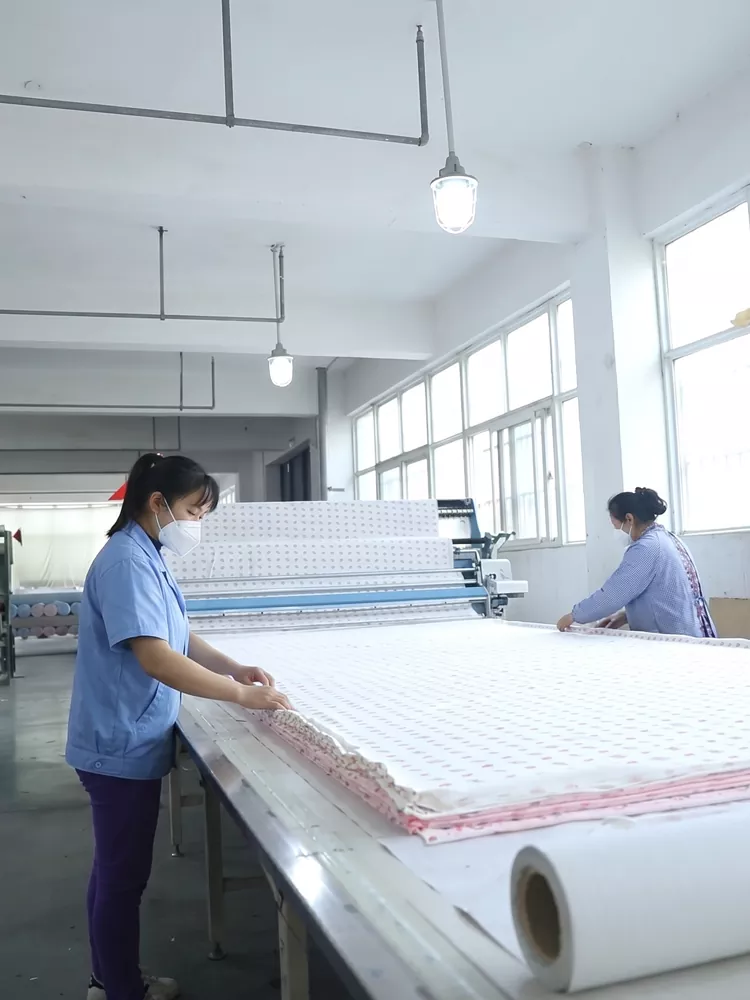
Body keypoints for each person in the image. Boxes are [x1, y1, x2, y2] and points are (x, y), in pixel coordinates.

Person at [66, 454, 291, 1000]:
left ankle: (108, 977)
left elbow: (177, 637)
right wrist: (242, 695)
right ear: (157, 503)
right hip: (118, 744)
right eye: (194, 510)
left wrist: (233, 667)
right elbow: (157, 659)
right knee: (123, 876)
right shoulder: (125, 562)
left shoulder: (150, 556)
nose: (197, 524)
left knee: (114, 868)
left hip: (126, 736)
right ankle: (121, 988)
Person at [556, 487, 716, 638]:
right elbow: (665, 594)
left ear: (629, 519)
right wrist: (626, 616)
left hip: (675, 640)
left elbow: (614, 594)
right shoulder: (669, 539)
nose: (618, 533)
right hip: (693, 631)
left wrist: (574, 615)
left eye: (617, 527)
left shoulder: (647, 548)